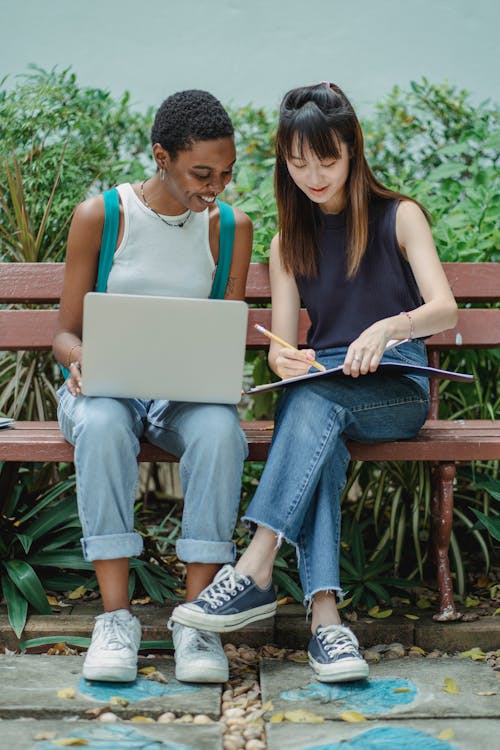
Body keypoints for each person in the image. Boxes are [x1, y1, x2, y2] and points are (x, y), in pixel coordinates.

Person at [170, 82, 458, 683]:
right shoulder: (287, 242)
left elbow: (445, 308)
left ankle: (255, 567)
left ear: (353, 150)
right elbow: (282, 348)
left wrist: (390, 328)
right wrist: (287, 362)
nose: (314, 176)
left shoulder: (399, 216)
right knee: (312, 404)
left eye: (327, 160)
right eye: (298, 164)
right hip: (324, 387)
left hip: (394, 387)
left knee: (313, 404)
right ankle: (327, 625)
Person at [53, 89, 253, 684]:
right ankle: (116, 619)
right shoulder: (103, 216)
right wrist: (83, 357)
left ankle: (195, 621)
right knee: (106, 422)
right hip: (105, 389)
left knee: (220, 431)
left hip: (181, 396)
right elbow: (63, 334)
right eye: (201, 172)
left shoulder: (229, 227)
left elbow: (223, 329)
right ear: (161, 155)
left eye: (226, 172)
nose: (215, 186)